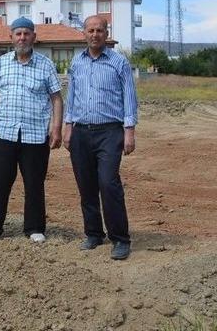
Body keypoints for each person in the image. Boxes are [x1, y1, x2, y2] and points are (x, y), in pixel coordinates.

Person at [0, 17, 63, 243]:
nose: (22, 37)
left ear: (34, 37)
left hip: (35, 136)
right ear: (11, 37)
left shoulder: (46, 65)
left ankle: (34, 228)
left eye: (26, 33)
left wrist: (56, 128)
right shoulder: (1, 63)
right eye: (18, 33)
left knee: (34, 183)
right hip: (4, 133)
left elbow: (56, 99)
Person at [62, 15, 138, 260]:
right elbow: (71, 98)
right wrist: (68, 127)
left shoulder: (119, 62)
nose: (94, 34)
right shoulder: (77, 62)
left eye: (99, 30)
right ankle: (93, 234)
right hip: (81, 132)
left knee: (108, 183)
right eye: (90, 30)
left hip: (110, 132)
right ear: (83, 33)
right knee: (86, 185)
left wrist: (129, 131)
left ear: (107, 33)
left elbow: (129, 97)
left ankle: (120, 239)